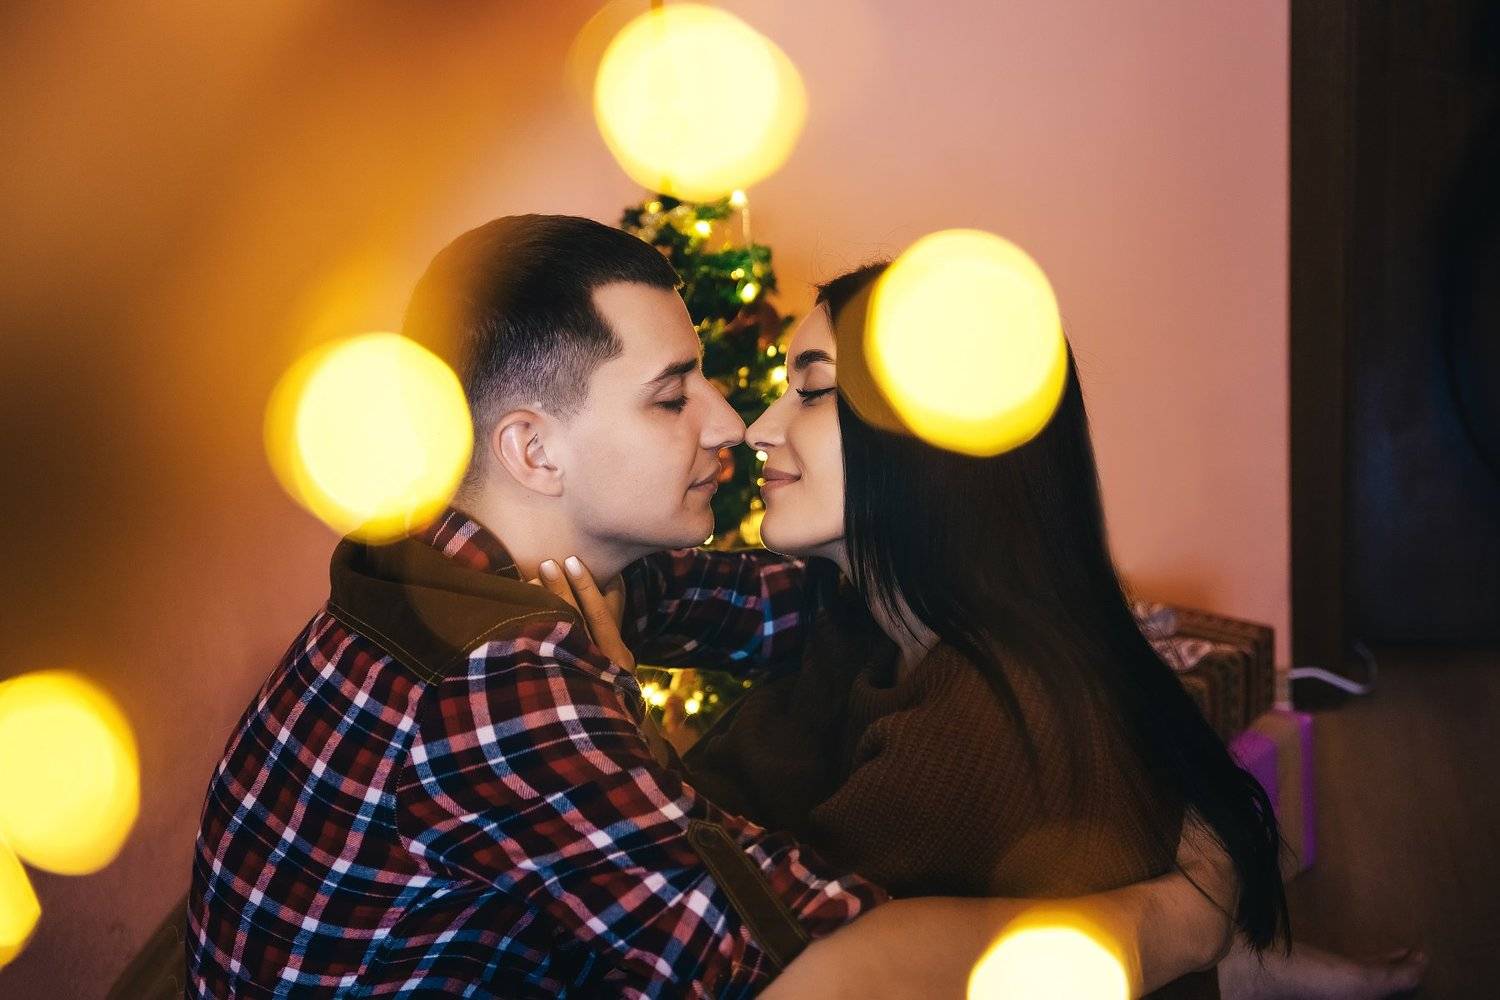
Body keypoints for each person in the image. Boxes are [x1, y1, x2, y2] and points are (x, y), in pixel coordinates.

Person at [187, 216, 1234, 997]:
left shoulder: (428, 562)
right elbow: (813, 966)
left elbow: (774, 606)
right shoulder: (505, 680)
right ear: (533, 450)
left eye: (802, 390)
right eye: (671, 394)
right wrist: (1175, 924)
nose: (735, 423)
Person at [550, 261, 1426, 999]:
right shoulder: (872, 615)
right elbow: (681, 593)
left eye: (811, 391)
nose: (757, 429)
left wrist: (614, 704)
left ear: (929, 442)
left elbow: (746, 950)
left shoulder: (978, 721)